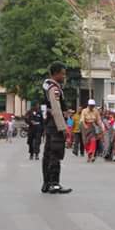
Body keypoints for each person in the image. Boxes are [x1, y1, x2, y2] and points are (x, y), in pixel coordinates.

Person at [41, 62, 72, 194]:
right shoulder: (54, 89)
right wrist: (63, 128)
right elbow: (56, 109)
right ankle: (54, 184)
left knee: (48, 154)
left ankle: (47, 183)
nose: (64, 76)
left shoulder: (47, 86)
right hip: (55, 126)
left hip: (50, 125)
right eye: (62, 73)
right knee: (55, 154)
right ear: (56, 74)